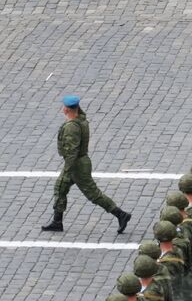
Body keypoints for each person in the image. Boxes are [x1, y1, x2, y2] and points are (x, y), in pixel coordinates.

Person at [42, 95, 132, 233]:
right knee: (60, 188)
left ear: (66, 109)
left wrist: (67, 169)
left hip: (76, 166)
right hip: (78, 163)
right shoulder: (80, 120)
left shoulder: (72, 127)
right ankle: (57, 221)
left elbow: (72, 151)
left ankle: (121, 215)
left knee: (93, 194)